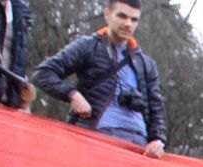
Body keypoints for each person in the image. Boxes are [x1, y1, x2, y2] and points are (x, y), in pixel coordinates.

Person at [32, 0, 165, 158]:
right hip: (97, 138)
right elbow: (43, 73)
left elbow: (156, 108)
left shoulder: (146, 63)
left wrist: (158, 141)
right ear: (107, 14)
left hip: (139, 146)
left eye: (134, 19)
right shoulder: (89, 46)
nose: (128, 23)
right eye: (122, 16)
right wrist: (73, 95)